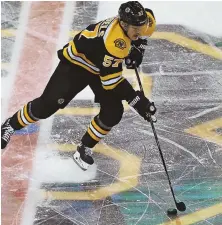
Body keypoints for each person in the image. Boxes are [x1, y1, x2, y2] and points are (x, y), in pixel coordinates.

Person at [1, 1, 156, 170]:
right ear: (124, 24)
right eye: (136, 29)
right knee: (47, 106)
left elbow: (149, 18)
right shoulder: (115, 42)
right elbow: (111, 82)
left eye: (141, 27)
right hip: (78, 63)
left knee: (113, 112)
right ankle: (10, 125)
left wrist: (138, 48)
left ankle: (84, 147)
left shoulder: (143, 23)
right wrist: (137, 101)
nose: (140, 32)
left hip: (102, 66)